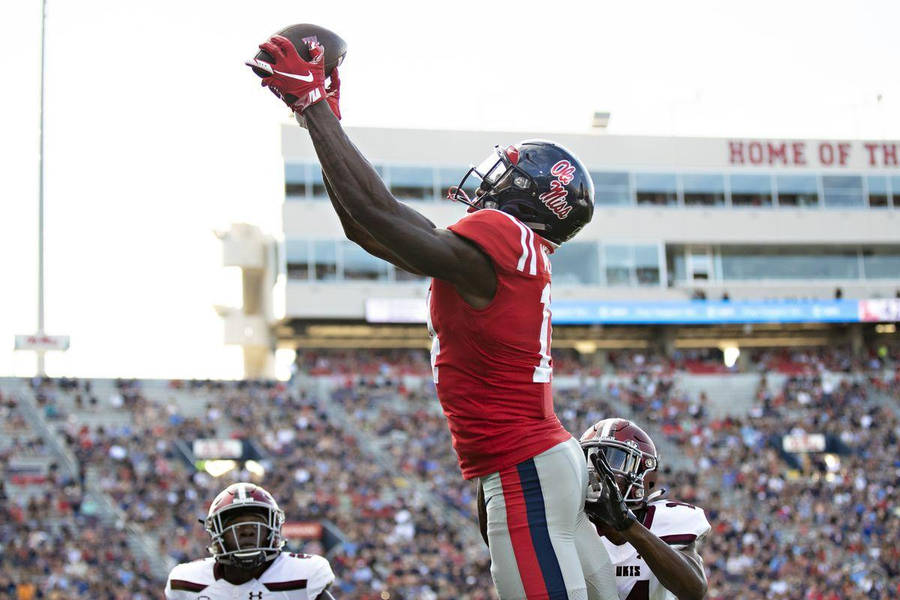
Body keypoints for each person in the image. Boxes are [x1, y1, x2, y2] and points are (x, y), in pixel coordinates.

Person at [247, 35, 617, 600]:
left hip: (525, 468)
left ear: (535, 197)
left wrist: (314, 106)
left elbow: (378, 214)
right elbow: (366, 228)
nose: (491, 180)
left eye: (508, 173)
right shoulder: (518, 253)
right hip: (540, 460)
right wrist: (319, 124)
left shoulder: (503, 238)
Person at [580, 419, 709, 600]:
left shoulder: (666, 520)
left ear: (645, 473)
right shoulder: (573, 522)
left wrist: (627, 525)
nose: (597, 471)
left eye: (615, 460)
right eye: (590, 458)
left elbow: (694, 591)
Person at [164, 482, 336, 599]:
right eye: (236, 525)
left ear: (272, 529)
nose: (247, 531)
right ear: (217, 534)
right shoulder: (187, 582)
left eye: (256, 524)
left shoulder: (302, 574)